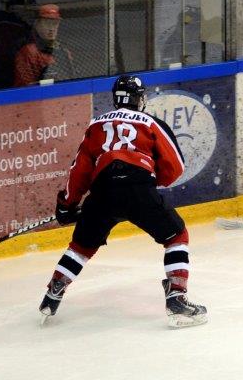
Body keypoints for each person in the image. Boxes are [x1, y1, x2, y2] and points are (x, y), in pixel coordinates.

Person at [39, 74, 207, 328]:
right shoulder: (150, 122)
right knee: (176, 235)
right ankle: (176, 298)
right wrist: (151, 181)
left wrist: (67, 204)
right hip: (139, 187)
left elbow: (79, 170)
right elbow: (176, 166)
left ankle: (53, 294)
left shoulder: (96, 124)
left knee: (81, 246)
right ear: (138, 99)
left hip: (102, 190)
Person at [14, 4, 76, 86]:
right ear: (37, 25)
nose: (51, 28)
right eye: (47, 23)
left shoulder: (63, 50)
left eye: (55, 24)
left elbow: (73, 80)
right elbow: (25, 87)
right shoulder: (29, 52)